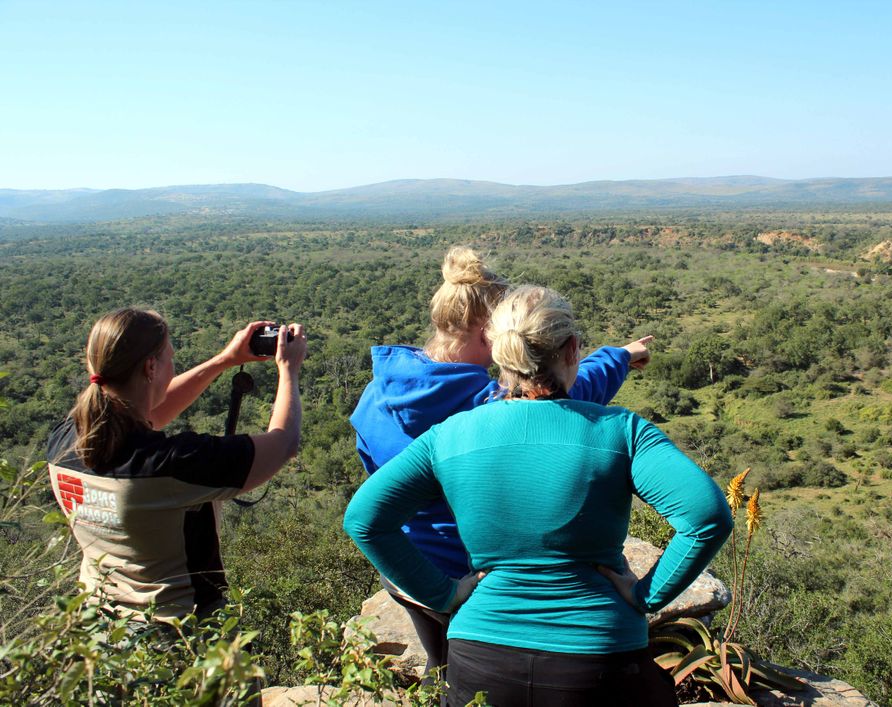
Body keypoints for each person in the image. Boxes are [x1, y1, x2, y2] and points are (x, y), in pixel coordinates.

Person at [345, 286, 733, 706]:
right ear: (572, 349)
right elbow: (706, 516)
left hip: (479, 661)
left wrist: (444, 595)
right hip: (599, 659)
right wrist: (646, 596)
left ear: (500, 353)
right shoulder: (622, 431)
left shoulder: (451, 435)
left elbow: (365, 519)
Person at [349, 246, 653, 677]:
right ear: (487, 334)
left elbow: (376, 495)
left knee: (446, 673)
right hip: (481, 576)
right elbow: (566, 396)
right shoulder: (486, 407)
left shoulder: (374, 397)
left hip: (409, 570)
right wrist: (618, 355)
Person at [46, 308, 307, 620]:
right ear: (150, 367)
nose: (173, 364)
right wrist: (288, 371)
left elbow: (148, 414)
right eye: (170, 357)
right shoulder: (172, 464)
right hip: (178, 634)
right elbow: (283, 444)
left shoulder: (64, 441)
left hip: (98, 624)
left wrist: (225, 360)